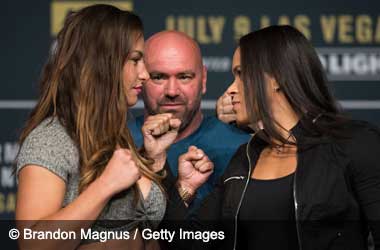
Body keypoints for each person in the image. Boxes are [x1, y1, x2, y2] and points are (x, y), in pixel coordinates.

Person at [164, 25, 380, 250]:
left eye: (241, 74)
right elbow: (187, 244)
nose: (230, 90)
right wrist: (184, 188)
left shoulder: (354, 143)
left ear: (276, 78)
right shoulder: (243, 160)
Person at [14, 5, 187, 250]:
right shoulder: (51, 139)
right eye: (135, 60)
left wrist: (154, 158)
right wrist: (105, 185)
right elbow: (34, 244)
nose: (145, 74)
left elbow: (143, 231)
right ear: (103, 63)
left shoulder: (115, 134)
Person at [128, 31, 250, 210]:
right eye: (158, 77)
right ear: (142, 78)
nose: (172, 91)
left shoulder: (243, 148)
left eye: (184, 77)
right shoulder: (114, 143)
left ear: (204, 80)